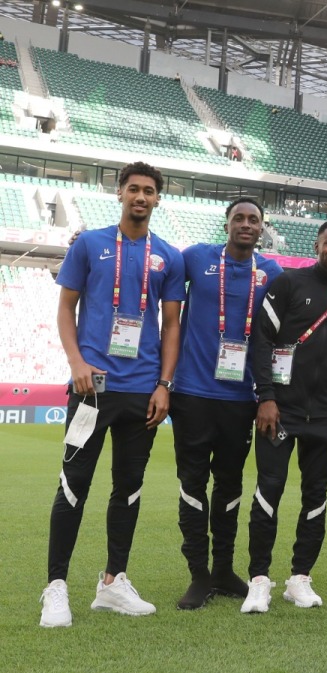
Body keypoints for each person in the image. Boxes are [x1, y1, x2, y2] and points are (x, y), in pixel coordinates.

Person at [41, 162, 186, 628]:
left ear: (158, 199)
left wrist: (165, 384)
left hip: (142, 393)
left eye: (149, 191)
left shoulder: (168, 256)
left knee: (128, 489)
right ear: (119, 193)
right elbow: (65, 309)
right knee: (72, 486)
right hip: (91, 389)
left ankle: (112, 583)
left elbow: (171, 325)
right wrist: (77, 362)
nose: (141, 197)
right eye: (133, 189)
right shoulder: (89, 244)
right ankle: (56, 588)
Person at [241, 220, 327, 613]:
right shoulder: (287, 283)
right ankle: (259, 580)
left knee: (315, 497)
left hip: (325, 414)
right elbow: (262, 339)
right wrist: (265, 398)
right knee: (269, 491)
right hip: (279, 410)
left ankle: (300, 578)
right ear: (317, 245)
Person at [169, 197, 284, 610]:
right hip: (193, 395)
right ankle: (198, 574)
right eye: (239, 217)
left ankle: (222, 568)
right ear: (227, 224)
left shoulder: (271, 272)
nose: (247, 224)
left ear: (262, 227)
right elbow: (155, 271)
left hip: (241, 399)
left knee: (231, 485)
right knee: (193, 483)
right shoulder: (196, 258)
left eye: (254, 219)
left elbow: (301, 307)